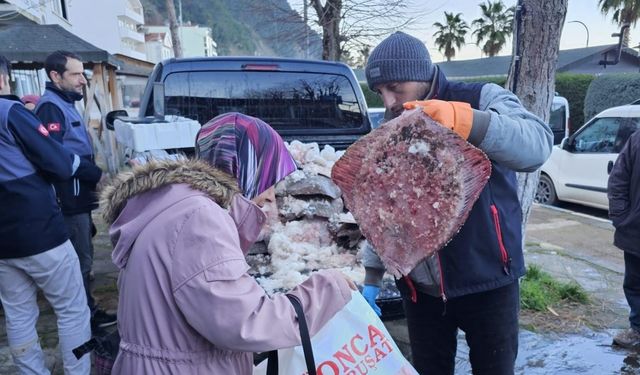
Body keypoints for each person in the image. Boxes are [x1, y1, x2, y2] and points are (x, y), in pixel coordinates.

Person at [100, 112, 355, 374]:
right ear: (243, 168)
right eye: (268, 179)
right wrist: (327, 288)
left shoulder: (173, 204)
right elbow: (246, 323)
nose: (269, 196)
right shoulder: (199, 218)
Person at [361, 32, 553, 374]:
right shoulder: (391, 125)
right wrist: (372, 275)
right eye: (379, 91)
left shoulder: (481, 97)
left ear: (420, 76)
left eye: (395, 87)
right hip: (421, 290)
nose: (388, 100)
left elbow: (537, 145)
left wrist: (465, 121)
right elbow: (382, 208)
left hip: (488, 279)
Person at [0, 55, 92, 374]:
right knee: (72, 310)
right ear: (3, 79)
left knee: (19, 314)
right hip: (39, 231)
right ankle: (79, 371)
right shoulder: (10, 111)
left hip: (3, 242)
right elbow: (60, 163)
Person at [34, 50, 116, 330]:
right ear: (55, 76)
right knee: (80, 261)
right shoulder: (50, 107)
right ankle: (84, 318)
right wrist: (94, 174)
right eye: (76, 74)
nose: (83, 80)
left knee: (85, 253)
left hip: (79, 196)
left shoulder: (65, 102)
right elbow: (54, 157)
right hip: (67, 199)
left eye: (83, 73)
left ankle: (85, 310)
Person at [609, 129, 640, 348]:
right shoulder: (637, 140)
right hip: (636, 231)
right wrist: (621, 217)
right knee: (634, 284)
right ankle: (637, 330)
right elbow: (618, 178)